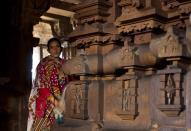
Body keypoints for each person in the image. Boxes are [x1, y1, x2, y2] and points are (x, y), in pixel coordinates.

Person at [27, 37, 68, 131]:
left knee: (60, 127)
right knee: (43, 128)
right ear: (48, 50)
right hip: (46, 102)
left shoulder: (65, 64)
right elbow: (41, 86)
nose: (55, 49)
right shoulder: (43, 65)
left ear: (61, 48)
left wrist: (62, 101)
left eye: (57, 46)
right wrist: (56, 102)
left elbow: (70, 82)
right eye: (52, 47)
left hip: (63, 101)